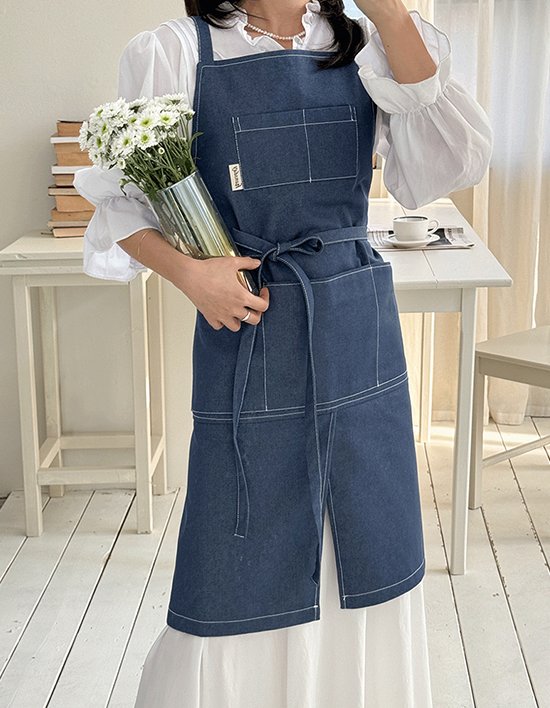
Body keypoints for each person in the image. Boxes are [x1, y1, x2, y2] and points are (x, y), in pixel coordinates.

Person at [74, 1, 493, 705]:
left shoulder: (364, 42)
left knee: (370, 536)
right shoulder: (176, 50)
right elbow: (121, 205)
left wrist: (391, 13)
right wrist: (192, 276)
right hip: (249, 318)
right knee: (237, 541)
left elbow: (445, 161)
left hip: (355, 322)